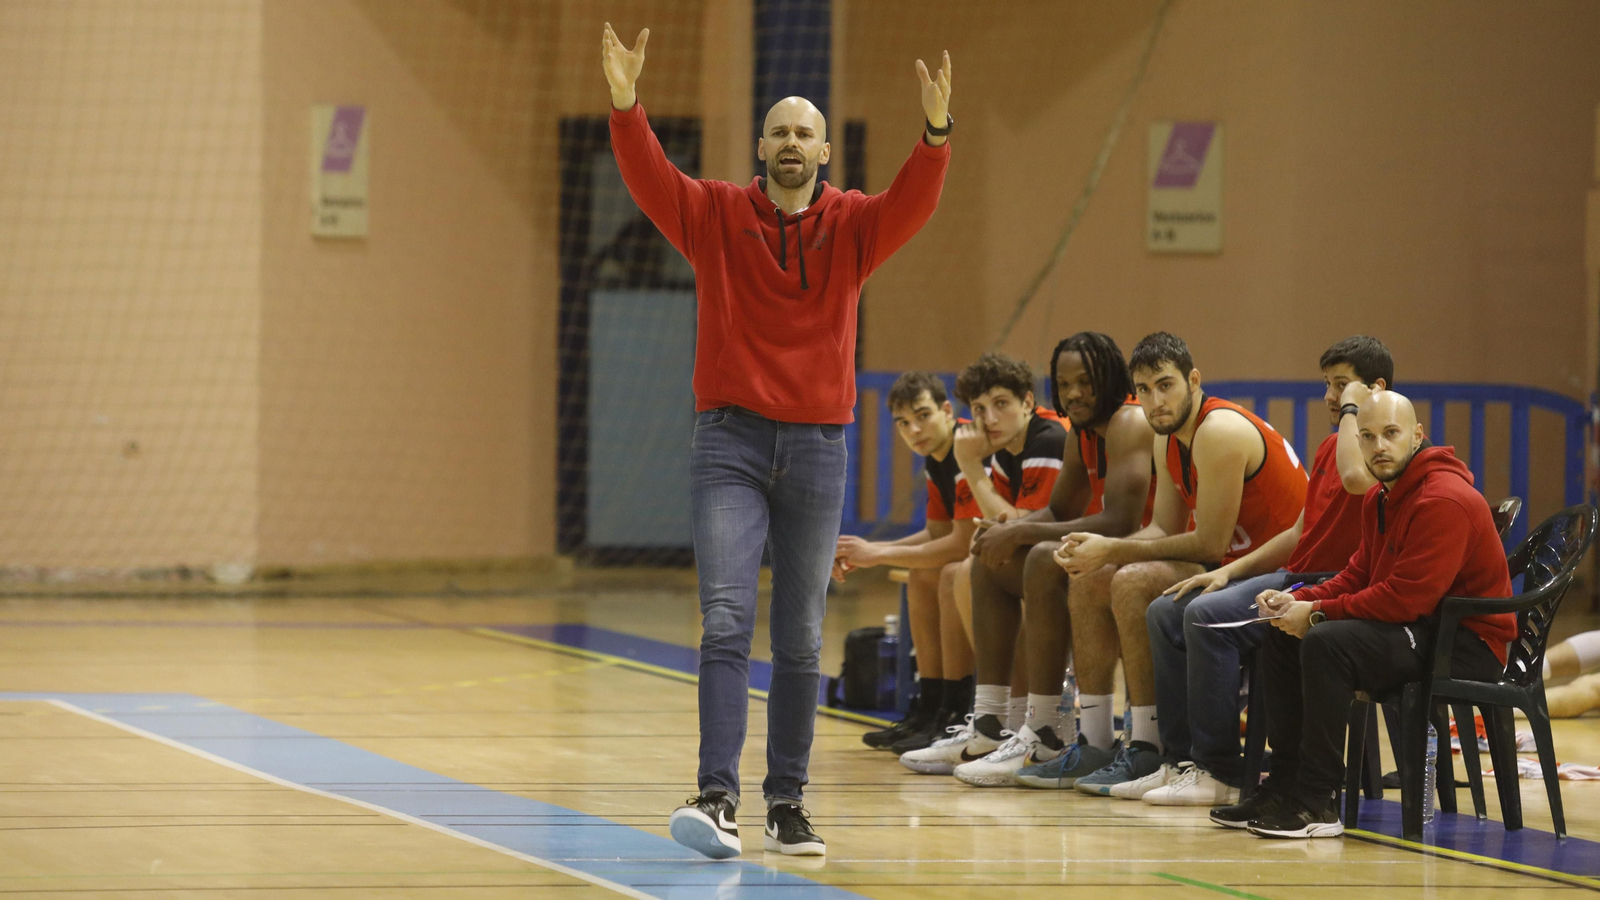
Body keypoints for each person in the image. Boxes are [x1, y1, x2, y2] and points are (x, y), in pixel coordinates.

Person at [601, 23, 952, 859]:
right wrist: (626, 104)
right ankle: (715, 796)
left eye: (805, 133)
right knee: (725, 617)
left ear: (825, 151)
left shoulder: (856, 225)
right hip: (728, 443)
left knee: (799, 636)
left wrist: (936, 135)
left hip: (819, 449)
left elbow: (914, 202)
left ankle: (787, 803)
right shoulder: (717, 213)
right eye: (779, 131)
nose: (791, 143)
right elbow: (650, 178)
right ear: (759, 146)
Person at [1236, 391, 1516, 839]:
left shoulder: (1444, 498)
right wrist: (1298, 600)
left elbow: (1405, 600)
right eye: (1367, 437)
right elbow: (1358, 575)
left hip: (1466, 645)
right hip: (1421, 629)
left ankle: (1317, 802)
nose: (1378, 446)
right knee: (1283, 633)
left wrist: (1318, 613)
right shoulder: (1380, 498)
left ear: (1417, 435)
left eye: (1390, 434)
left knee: (1326, 641)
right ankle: (1285, 785)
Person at [1139, 336, 1391, 807]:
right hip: (1298, 574)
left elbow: (1359, 483)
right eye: (1327, 385)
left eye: (1342, 386)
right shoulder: (1332, 446)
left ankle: (1219, 769)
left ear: (1374, 389)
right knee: (1165, 611)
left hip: (1335, 583)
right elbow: (1300, 531)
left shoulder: (1383, 451)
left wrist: (1359, 413)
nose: (1331, 397)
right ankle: (1181, 762)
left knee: (1205, 617)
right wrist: (1229, 572)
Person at [1054, 332, 1307, 798]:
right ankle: (1109, 742)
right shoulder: (1166, 438)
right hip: (1233, 568)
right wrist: (1100, 548)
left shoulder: (1219, 430)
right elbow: (1161, 531)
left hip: (1291, 572)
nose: (1155, 401)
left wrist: (1113, 551)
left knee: (1136, 584)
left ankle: (1169, 751)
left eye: (1166, 385)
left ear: (1194, 380)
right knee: (1098, 579)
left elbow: (1209, 542)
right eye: (1144, 390)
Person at [942, 333, 1156, 787]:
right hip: (1116, 555)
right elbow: (1059, 511)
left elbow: (1120, 520)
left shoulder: (1129, 422)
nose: (1074, 392)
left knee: (1039, 556)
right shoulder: (1083, 433)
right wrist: (1006, 533)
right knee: (989, 558)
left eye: (1086, 381)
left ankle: (1049, 729)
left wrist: (1021, 529)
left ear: (1111, 379)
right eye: (1063, 383)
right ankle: (992, 722)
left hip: (1154, 552)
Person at [899, 352, 1069, 777]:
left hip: (1085, 554)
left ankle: (1026, 722)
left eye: (1001, 404)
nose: (989, 417)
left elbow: (1018, 527)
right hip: (1049, 557)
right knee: (970, 566)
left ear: (1028, 402)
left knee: (972, 566)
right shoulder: (1002, 448)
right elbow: (999, 527)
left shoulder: (1047, 439)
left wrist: (971, 466)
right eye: (978, 409)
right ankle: (989, 721)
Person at [833, 372, 979, 752]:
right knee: (922, 574)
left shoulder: (967, 448)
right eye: (903, 423)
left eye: (923, 415)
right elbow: (937, 532)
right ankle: (929, 708)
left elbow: (961, 544)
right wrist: (873, 550)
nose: (914, 429)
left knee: (948, 573)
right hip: (977, 550)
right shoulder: (936, 458)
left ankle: (956, 709)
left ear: (947, 411)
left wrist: (877, 554)